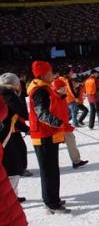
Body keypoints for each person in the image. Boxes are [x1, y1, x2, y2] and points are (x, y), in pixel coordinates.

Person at [27, 61, 70, 214]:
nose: (53, 74)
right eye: (51, 71)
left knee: (52, 170)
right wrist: (57, 122)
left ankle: (54, 198)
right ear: (44, 74)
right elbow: (41, 113)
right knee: (48, 171)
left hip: (49, 134)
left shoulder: (45, 89)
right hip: (44, 136)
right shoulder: (40, 91)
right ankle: (51, 203)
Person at [0, 73, 30, 203]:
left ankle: (12, 195)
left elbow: (11, 117)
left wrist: (26, 129)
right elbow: (24, 112)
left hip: (8, 134)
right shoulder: (9, 96)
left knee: (16, 164)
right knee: (13, 167)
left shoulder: (6, 95)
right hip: (4, 137)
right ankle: (9, 198)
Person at [52, 78, 88, 169]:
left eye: (64, 87)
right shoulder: (52, 98)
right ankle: (52, 165)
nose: (64, 89)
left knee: (71, 140)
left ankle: (76, 161)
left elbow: (65, 113)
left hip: (64, 125)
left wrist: (67, 123)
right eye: (61, 88)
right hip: (54, 126)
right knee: (53, 147)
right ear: (56, 89)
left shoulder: (64, 97)